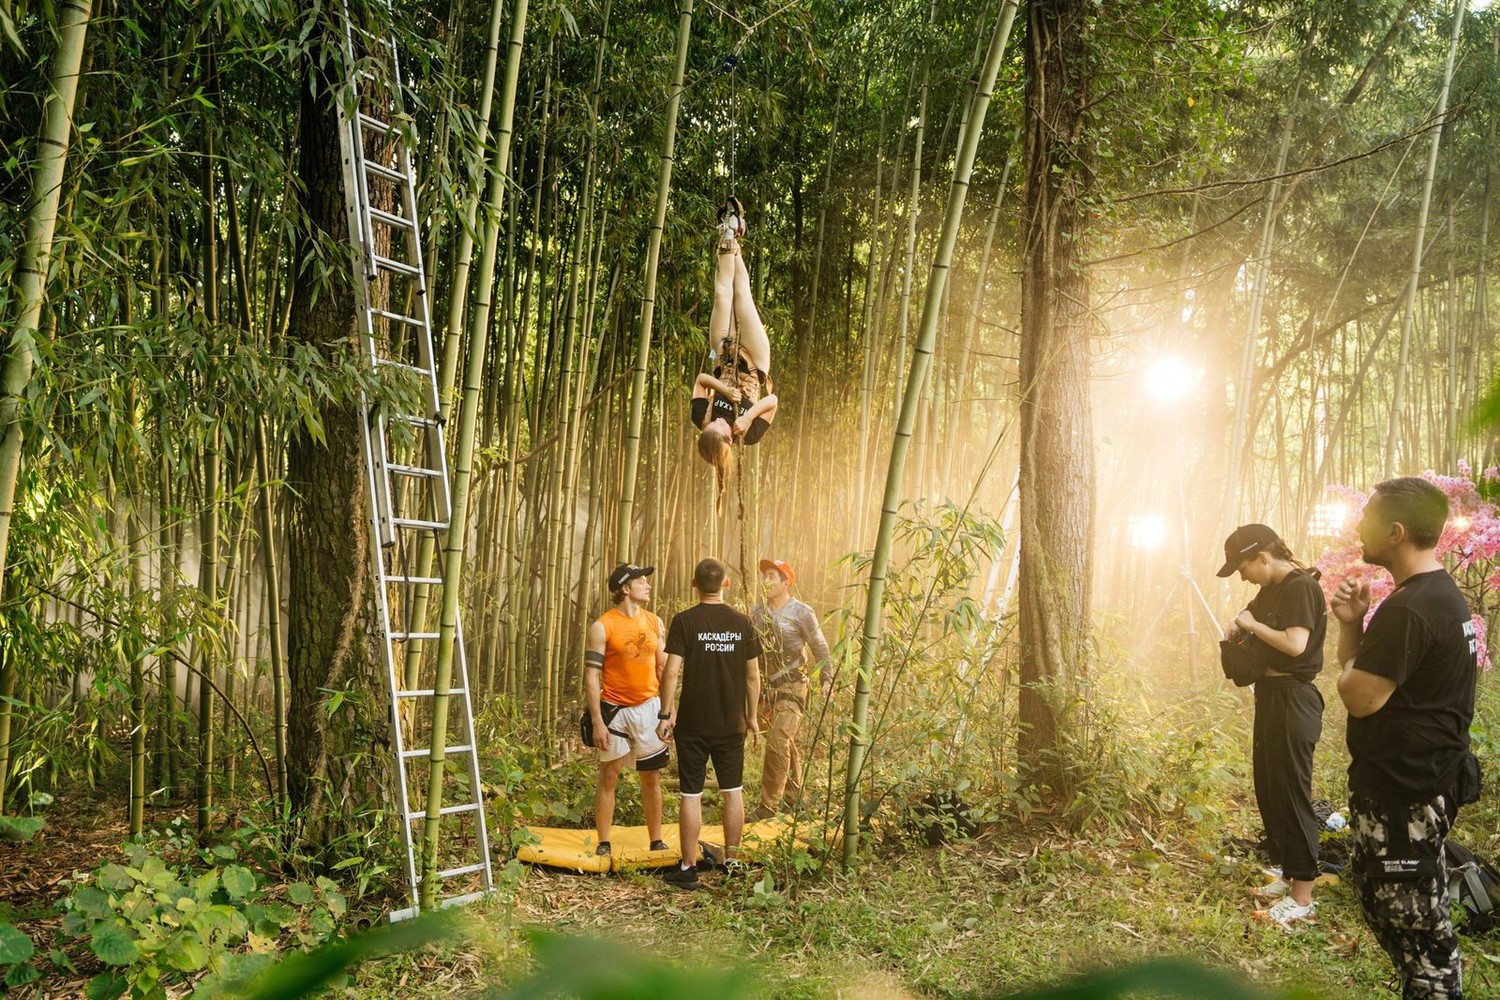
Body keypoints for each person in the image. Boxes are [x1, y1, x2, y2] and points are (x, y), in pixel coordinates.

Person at [1330, 477, 1479, 998]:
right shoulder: (1435, 596)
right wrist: (1352, 625)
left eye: (1366, 517)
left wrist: (1351, 649)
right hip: (1420, 784)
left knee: (1419, 935)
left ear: (1395, 533)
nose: (1357, 525)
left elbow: (1358, 695)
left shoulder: (1411, 608)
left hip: (1405, 796)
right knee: (1399, 915)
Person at [1215, 524, 1327, 929]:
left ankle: (1303, 896)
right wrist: (1239, 630)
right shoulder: (1270, 591)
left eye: (1243, 566)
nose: (1242, 575)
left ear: (1262, 556)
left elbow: (1296, 644)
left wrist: (1251, 626)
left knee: (1292, 791)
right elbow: (1252, 625)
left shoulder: (1299, 586)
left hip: (1295, 698)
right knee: (1270, 786)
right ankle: (1288, 873)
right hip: (1271, 696)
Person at [656, 558, 763, 890]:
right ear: (726, 583)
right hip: (731, 724)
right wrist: (752, 716)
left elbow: (671, 671)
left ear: (694, 583)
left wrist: (665, 713)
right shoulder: (743, 622)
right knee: (733, 791)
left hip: (693, 722)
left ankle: (688, 868)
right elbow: (752, 676)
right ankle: (731, 861)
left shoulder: (685, 621)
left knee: (691, 794)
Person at [692, 198, 779, 498]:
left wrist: (726, 392)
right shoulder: (749, 435)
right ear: (728, 439)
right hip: (756, 363)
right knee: (742, 298)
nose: (716, 420)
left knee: (721, 294)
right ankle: (733, 233)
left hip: (720, 357)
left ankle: (729, 233)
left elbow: (702, 380)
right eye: (719, 426)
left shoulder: (701, 418)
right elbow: (774, 400)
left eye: (711, 424)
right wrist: (748, 415)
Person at [584, 563, 670, 859]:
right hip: (615, 709)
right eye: (641, 581)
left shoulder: (654, 622)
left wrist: (668, 711)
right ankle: (604, 841)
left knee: (651, 776)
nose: (647, 585)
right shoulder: (602, 626)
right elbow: (592, 675)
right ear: (624, 588)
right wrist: (597, 721)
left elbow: (663, 668)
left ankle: (656, 840)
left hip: (649, 706)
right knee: (609, 774)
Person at [748, 558, 832, 820]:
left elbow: (820, 647)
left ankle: (768, 806)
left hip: (795, 684)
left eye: (773, 575)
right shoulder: (757, 612)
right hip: (769, 686)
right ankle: (796, 797)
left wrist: (826, 679)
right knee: (783, 740)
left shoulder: (801, 612)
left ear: (786, 583)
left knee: (777, 740)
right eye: (765, 576)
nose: (767, 580)